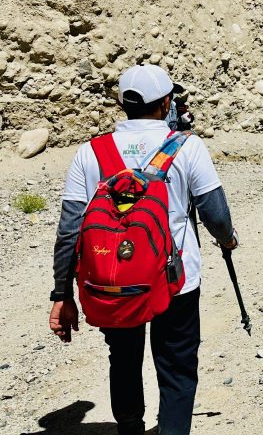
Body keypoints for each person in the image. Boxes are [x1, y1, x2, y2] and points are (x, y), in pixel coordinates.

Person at [49, 65, 239, 435]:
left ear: (122, 104)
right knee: (177, 365)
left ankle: (131, 428)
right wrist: (227, 240)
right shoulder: (188, 146)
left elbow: (70, 229)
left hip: (113, 281)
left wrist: (62, 292)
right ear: (167, 102)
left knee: (122, 359)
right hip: (175, 281)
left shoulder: (91, 152)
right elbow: (214, 213)